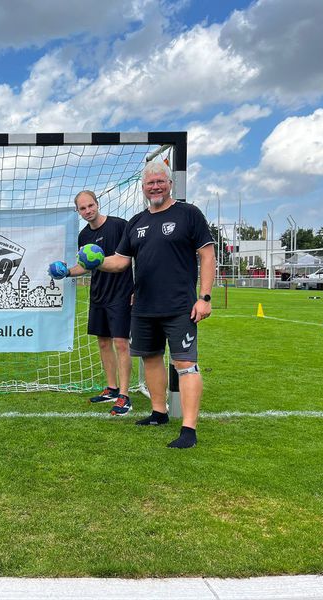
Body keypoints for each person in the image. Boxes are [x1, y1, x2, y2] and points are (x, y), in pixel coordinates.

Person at [52, 160, 215, 448]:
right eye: (150, 183)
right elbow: (120, 262)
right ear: (143, 188)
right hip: (142, 306)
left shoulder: (188, 213)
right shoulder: (137, 222)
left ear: (170, 184)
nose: (155, 187)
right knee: (150, 358)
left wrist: (204, 298)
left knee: (185, 364)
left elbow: (207, 254)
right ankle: (159, 412)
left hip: (180, 305)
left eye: (160, 181)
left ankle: (188, 430)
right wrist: (95, 262)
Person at [54, 191, 134, 415]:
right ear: (78, 211)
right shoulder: (84, 236)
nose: (88, 211)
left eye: (90, 205)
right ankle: (111, 388)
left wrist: (137, 287)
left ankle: (124, 395)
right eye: (83, 208)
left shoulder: (119, 226)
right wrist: (66, 272)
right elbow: (86, 266)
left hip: (121, 293)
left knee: (121, 343)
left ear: (97, 204)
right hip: (99, 293)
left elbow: (131, 259)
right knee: (103, 343)